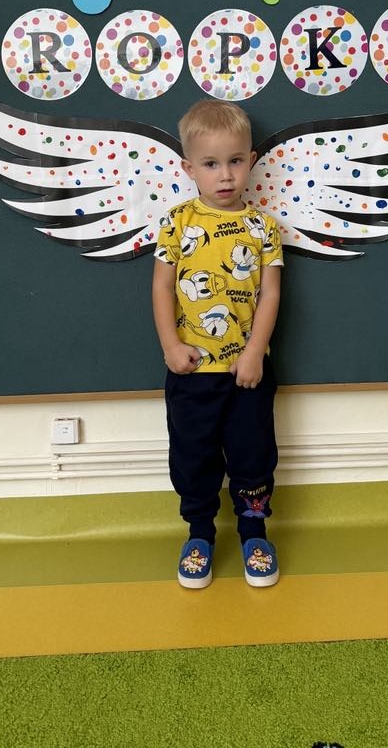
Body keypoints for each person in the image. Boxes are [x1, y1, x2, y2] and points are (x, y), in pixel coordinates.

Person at [152, 100, 283, 589]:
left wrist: (253, 352)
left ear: (251, 160)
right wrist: (170, 346)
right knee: (193, 457)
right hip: (191, 374)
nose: (225, 175)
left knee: (253, 455)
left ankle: (254, 532)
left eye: (235, 161)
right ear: (190, 168)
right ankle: (200, 534)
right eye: (210, 163)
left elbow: (270, 294)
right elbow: (162, 287)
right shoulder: (177, 222)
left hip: (246, 373)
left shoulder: (263, 227)